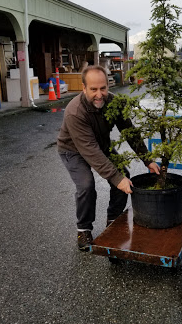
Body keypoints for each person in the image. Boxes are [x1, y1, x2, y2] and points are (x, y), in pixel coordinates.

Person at [57, 64, 160, 251]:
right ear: (84, 88)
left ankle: (113, 220)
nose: (99, 94)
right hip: (73, 150)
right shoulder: (75, 112)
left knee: (123, 175)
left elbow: (129, 131)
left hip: (100, 146)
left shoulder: (114, 102)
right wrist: (115, 178)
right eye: (93, 89)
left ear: (108, 86)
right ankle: (84, 229)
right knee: (86, 185)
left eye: (103, 88)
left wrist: (148, 159)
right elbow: (89, 150)